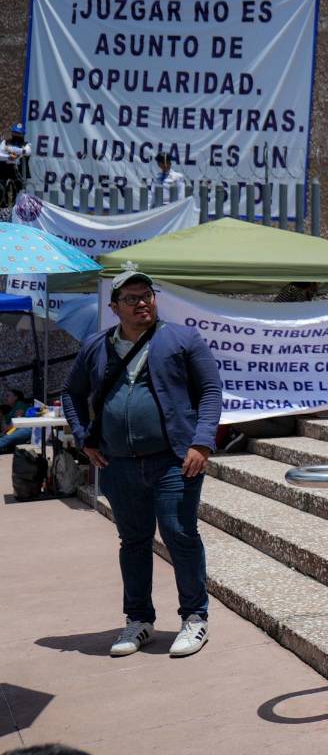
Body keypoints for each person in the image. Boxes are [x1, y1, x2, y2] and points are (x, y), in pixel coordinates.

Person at [61, 269, 222, 658]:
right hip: (118, 464)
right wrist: (84, 438)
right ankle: (139, 620)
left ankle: (194, 618)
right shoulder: (96, 345)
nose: (141, 303)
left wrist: (201, 442)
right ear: (114, 307)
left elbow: (210, 390)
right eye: (131, 298)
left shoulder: (182, 339)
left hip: (174, 461)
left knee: (179, 535)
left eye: (146, 295)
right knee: (133, 541)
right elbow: (70, 392)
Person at [0, 122, 31, 206]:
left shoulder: (27, 144)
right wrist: (9, 157)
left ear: (23, 135)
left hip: (19, 175)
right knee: (2, 194)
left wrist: (9, 149)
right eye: (15, 133)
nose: (17, 135)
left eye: (19, 134)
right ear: (12, 133)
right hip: (4, 173)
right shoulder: (5, 142)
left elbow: (27, 152)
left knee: (18, 196)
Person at [0, 389, 35, 454]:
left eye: (8, 395)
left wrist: (4, 432)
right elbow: (4, 428)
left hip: (26, 428)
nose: (5, 398)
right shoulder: (11, 409)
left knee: (5, 439)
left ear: (15, 397)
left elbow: (16, 422)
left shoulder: (20, 404)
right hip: (17, 429)